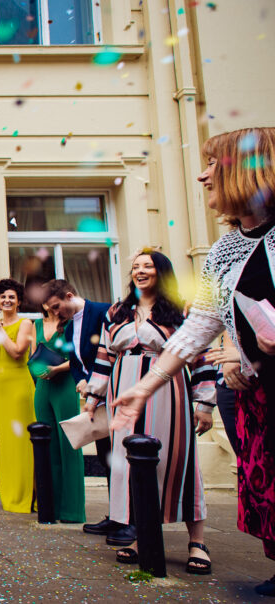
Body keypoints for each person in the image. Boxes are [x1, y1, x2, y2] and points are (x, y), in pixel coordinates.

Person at [113, 128, 275, 596]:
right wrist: (145, 386)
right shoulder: (224, 249)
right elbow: (200, 325)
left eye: (214, 166)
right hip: (257, 390)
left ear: (248, 171)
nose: (203, 176)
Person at [86, 250, 215, 572]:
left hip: (167, 390)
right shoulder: (118, 310)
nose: (140, 271)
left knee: (178, 461)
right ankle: (140, 535)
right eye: (135, 267)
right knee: (128, 465)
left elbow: (199, 355)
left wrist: (205, 404)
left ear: (162, 272)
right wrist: (92, 397)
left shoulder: (181, 310)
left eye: (148, 266)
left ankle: (196, 541)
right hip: (122, 391)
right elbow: (104, 356)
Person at [42, 280, 117, 539]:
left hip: (113, 393)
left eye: (56, 307)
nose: (55, 313)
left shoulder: (105, 312)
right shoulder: (71, 323)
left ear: (70, 296)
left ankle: (127, 517)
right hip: (93, 396)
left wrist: (95, 385)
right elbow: (75, 359)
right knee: (107, 456)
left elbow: (107, 353)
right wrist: (81, 379)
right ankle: (116, 515)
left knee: (119, 458)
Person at [29, 296, 85, 523]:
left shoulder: (72, 324)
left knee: (68, 444)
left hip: (65, 384)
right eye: (46, 301)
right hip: (43, 385)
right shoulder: (37, 325)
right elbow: (33, 355)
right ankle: (49, 507)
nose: (51, 305)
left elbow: (79, 357)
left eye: (55, 301)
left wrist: (56, 368)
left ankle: (72, 510)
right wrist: (39, 368)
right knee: (46, 445)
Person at [0, 279, 36, 514]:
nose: (7, 300)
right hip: (0, 388)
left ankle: (27, 495)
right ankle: (9, 493)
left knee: (21, 442)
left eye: (12, 297)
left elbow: (16, 352)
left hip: (18, 387)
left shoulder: (25, 323)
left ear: (18, 301)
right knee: (5, 442)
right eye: (3, 297)